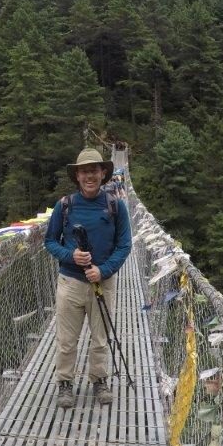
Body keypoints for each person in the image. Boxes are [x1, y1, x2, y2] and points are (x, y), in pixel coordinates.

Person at [44, 148, 133, 408]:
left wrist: (103, 271)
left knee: (100, 337)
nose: (89, 175)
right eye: (84, 171)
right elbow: (50, 241)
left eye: (94, 170)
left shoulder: (116, 206)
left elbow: (125, 245)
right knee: (66, 339)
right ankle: (65, 383)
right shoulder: (65, 205)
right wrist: (71, 255)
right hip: (70, 282)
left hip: (103, 282)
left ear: (103, 173)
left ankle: (99, 380)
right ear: (77, 176)